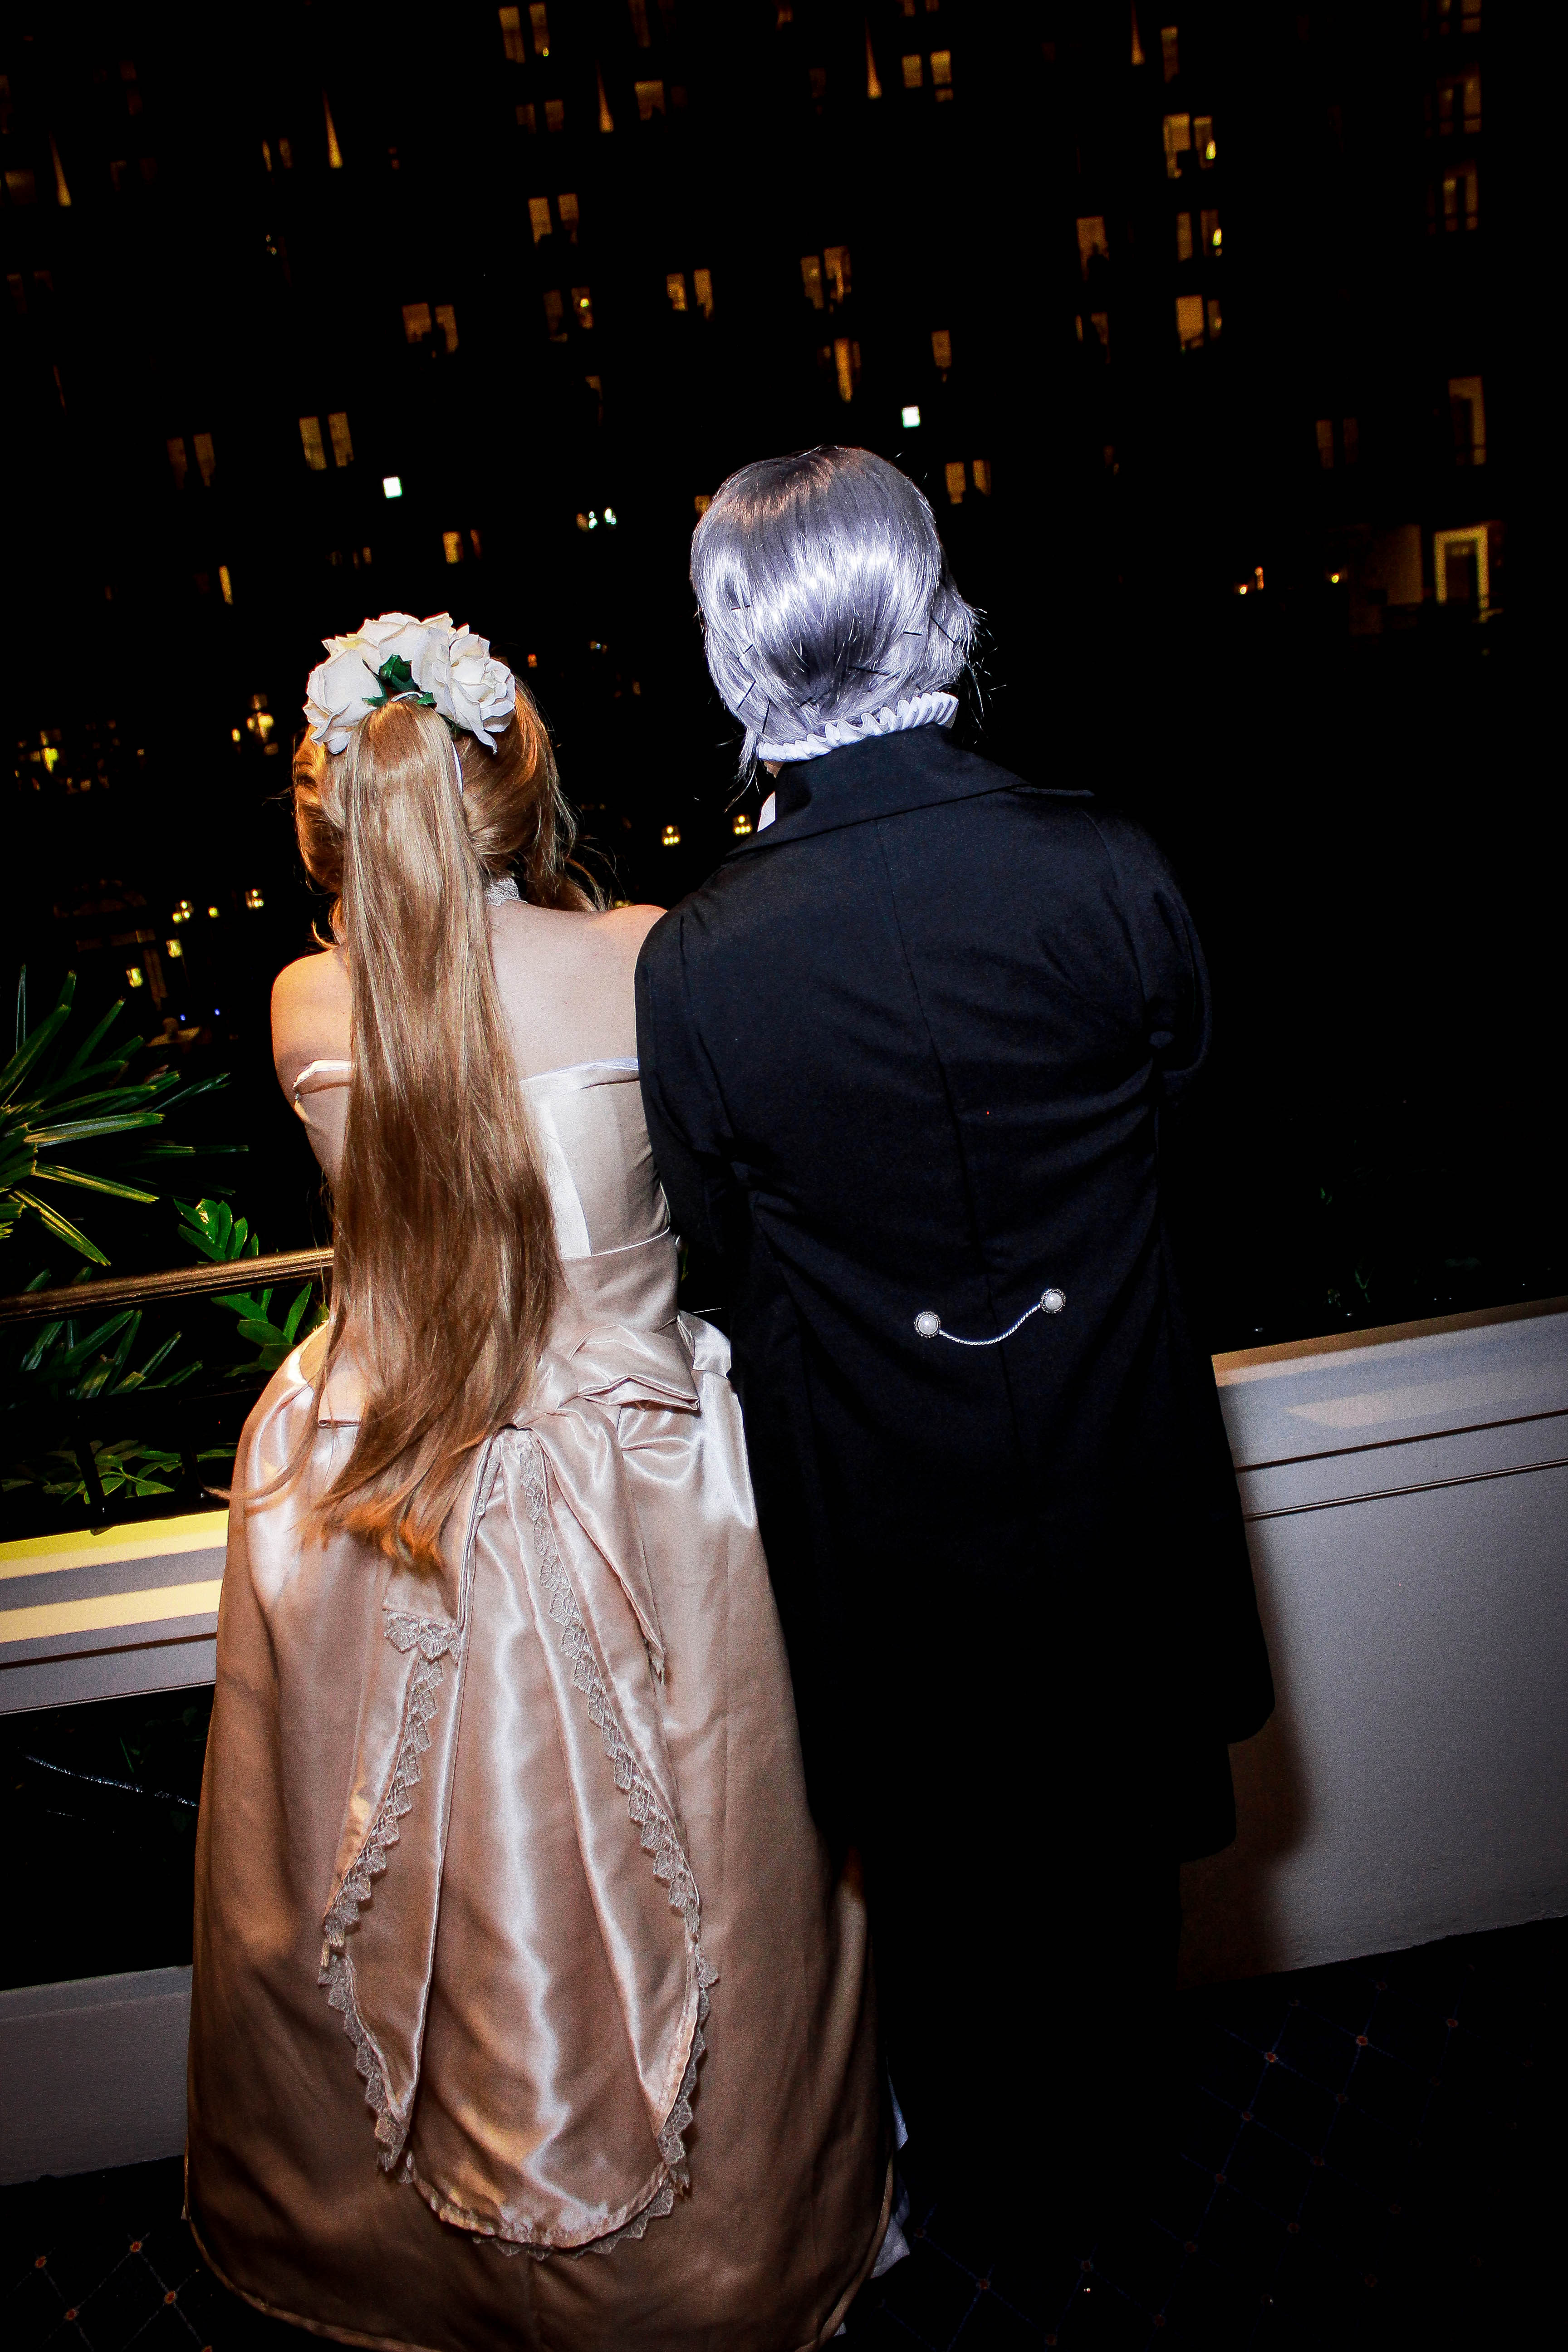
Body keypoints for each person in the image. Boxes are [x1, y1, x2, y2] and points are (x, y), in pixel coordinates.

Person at [186, 612, 892, 2351]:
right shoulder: (645, 956)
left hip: (386, 1490)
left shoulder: (302, 1007)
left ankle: (412, 2266)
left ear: (329, 819)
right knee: (719, 1883)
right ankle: (728, 2256)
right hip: (640, 1485)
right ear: (522, 783)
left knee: (421, 1909)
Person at [635, 450, 1275, 2221]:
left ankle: (997, 2212)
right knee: (1123, 1906)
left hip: (884, 1530)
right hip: (1120, 1478)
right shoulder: (1107, 865)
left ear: (737, 653)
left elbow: (717, 1257)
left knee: (941, 1915)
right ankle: (1133, 2194)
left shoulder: (700, 959)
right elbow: (1204, 1170)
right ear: (933, 607)